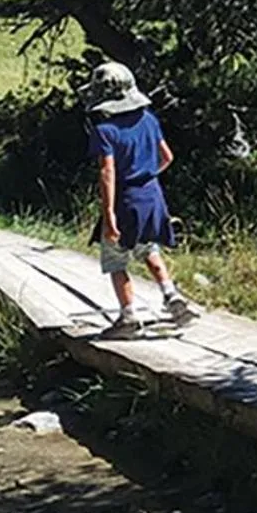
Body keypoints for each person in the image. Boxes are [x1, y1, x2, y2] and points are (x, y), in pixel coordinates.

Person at [84, 61, 200, 337]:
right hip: (152, 196)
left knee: (116, 260)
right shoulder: (148, 119)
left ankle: (128, 318)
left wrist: (109, 214)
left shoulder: (104, 130)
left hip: (124, 200)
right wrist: (145, 175)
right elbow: (167, 157)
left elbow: (107, 172)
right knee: (148, 249)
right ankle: (171, 296)